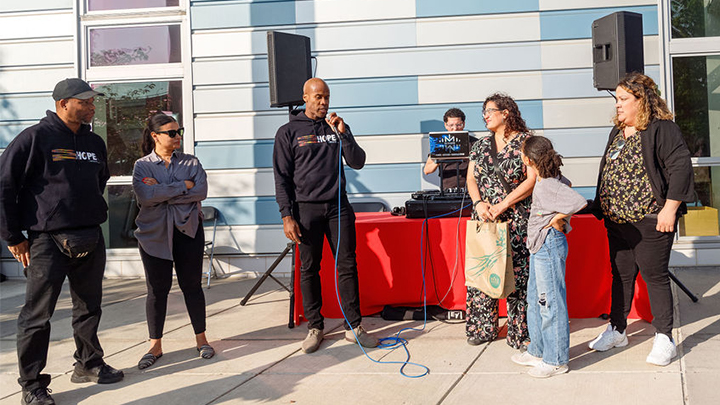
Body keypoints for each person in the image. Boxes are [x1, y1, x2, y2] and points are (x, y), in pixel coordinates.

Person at [0, 78, 123, 405]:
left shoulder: (94, 142)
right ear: (64, 103)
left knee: (89, 307)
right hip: (46, 242)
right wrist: (13, 236)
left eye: (92, 102)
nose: (91, 107)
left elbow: (100, 181)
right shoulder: (34, 139)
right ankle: (31, 384)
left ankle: (89, 363)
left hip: (89, 236)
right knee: (37, 316)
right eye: (84, 102)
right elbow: (4, 187)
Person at [589, 73, 694, 366]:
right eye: (617, 99)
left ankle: (664, 338)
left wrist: (670, 209)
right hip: (617, 221)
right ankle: (618, 329)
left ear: (642, 100)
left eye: (624, 99)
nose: (618, 105)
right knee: (620, 275)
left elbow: (680, 168)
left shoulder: (663, 129)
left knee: (654, 277)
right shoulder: (618, 131)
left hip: (650, 219)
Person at [273, 77, 378, 354]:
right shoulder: (287, 132)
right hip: (304, 210)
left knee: (347, 265)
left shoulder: (336, 127)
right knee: (309, 269)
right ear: (305, 97)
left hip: (338, 208)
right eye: (318, 97)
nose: (323, 102)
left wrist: (345, 133)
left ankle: (353, 327)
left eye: (327, 96)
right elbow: (281, 178)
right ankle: (315, 327)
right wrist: (287, 216)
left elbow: (357, 161)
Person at [132, 113, 214, 369]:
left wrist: (163, 192)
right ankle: (154, 346)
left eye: (179, 132)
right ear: (155, 136)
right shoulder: (142, 166)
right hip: (154, 234)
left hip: (188, 231)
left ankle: (201, 340)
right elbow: (146, 197)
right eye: (171, 133)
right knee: (157, 290)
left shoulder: (191, 162)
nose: (177, 136)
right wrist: (182, 188)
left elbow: (200, 191)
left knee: (192, 286)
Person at [511, 136, 587, 378]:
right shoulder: (550, 180)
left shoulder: (546, 185)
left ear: (528, 159)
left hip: (548, 246)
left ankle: (555, 360)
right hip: (539, 246)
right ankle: (537, 351)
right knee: (535, 298)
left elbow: (578, 201)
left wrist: (557, 219)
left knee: (549, 302)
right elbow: (568, 184)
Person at [465, 92, 535, 348]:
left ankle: (520, 332)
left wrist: (503, 204)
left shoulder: (526, 142)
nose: (485, 115)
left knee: (518, 277)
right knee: (482, 271)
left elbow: (532, 179)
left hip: (516, 219)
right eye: (483, 111)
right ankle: (482, 327)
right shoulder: (480, 145)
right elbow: (471, 178)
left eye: (490, 110)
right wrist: (478, 203)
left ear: (506, 113)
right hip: (485, 218)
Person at [423, 108, 477, 191]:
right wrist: (442, 156)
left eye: (459, 125)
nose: (455, 128)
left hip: (471, 190)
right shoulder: (440, 143)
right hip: (447, 190)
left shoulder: (475, 143)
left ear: (464, 124)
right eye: (451, 125)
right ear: (445, 125)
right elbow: (427, 170)